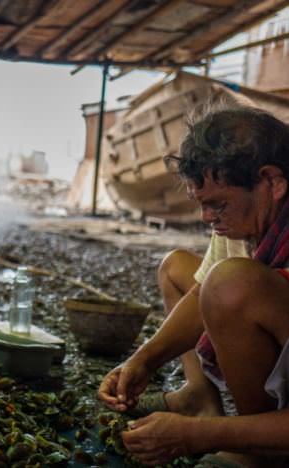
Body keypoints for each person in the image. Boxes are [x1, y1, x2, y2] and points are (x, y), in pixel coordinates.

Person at [98, 105, 289, 467]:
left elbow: (224, 288)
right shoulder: (250, 221)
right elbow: (203, 291)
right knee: (180, 268)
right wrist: (143, 361)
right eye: (202, 205)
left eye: (219, 204)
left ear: (272, 182)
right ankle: (200, 398)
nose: (206, 217)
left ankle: (256, 453)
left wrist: (197, 436)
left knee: (232, 283)